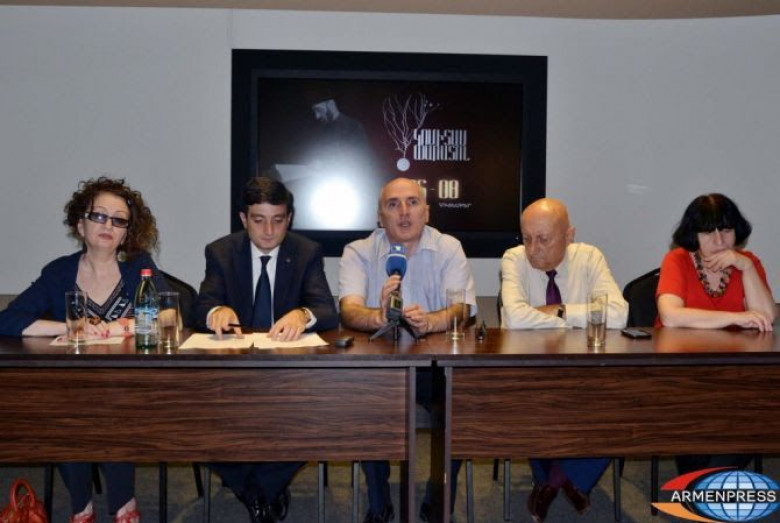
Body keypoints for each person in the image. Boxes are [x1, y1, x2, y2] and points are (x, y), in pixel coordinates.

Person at [0, 176, 167, 523]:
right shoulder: (59, 272)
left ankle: (123, 505)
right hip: (75, 387)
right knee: (67, 406)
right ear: (81, 225)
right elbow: (9, 319)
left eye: (119, 220)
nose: (108, 225)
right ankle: (82, 509)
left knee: (111, 405)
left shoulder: (138, 267)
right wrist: (70, 327)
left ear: (127, 232)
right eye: (99, 216)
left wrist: (124, 326)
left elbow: (169, 315)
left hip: (131, 386)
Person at [195, 176, 338, 523]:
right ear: (244, 219)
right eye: (259, 220)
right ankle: (266, 489)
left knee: (319, 417)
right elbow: (200, 307)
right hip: (234, 374)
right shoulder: (221, 252)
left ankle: (256, 489)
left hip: (288, 374)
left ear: (289, 218)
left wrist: (302, 314)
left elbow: (326, 310)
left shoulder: (306, 252)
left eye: (278, 220)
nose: (269, 231)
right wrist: (217, 312)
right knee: (195, 421)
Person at [339, 177, 477, 523]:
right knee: (365, 404)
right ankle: (379, 503)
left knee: (461, 403)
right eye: (393, 204)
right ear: (379, 216)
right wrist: (378, 315)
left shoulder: (449, 248)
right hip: (380, 368)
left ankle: (437, 497)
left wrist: (430, 321)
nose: (404, 212)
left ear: (426, 212)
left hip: (434, 366)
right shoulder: (358, 251)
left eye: (413, 202)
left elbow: (462, 309)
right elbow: (349, 309)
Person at [500, 197, 628, 523]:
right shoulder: (513, 258)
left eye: (543, 239)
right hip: (529, 372)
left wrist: (559, 310)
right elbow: (514, 318)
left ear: (569, 236)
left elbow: (618, 314)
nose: (533, 249)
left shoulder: (590, 257)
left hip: (585, 371)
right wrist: (579, 319)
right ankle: (572, 481)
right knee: (534, 402)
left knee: (619, 402)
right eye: (527, 238)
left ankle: (552, 483)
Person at [656, 193, 775, 474]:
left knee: (757, 409)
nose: (719, 240)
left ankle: (705, 484)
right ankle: (705, 482)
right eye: (709, 232)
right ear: (694, 235)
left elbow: (766, 317)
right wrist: (736, 318)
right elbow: (671, 316)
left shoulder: (747, 262)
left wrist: (746, 268)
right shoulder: (677, 260)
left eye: (726, 230)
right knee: (696, 413)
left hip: (734, 371)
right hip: (682, 370)